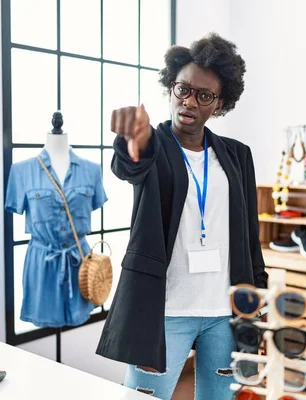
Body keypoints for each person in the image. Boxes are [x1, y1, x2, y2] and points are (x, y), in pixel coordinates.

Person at [96, 33, 267, 399]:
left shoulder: (237, 156)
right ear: (171, 88)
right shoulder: (154, 145)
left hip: (226, 311)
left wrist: (258, 302)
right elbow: (129, 166)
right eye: (182, 89)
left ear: (219, 105)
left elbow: (248, 235)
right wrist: (133, 140)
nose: (189, 101)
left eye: (204, 95)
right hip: (165, 311)